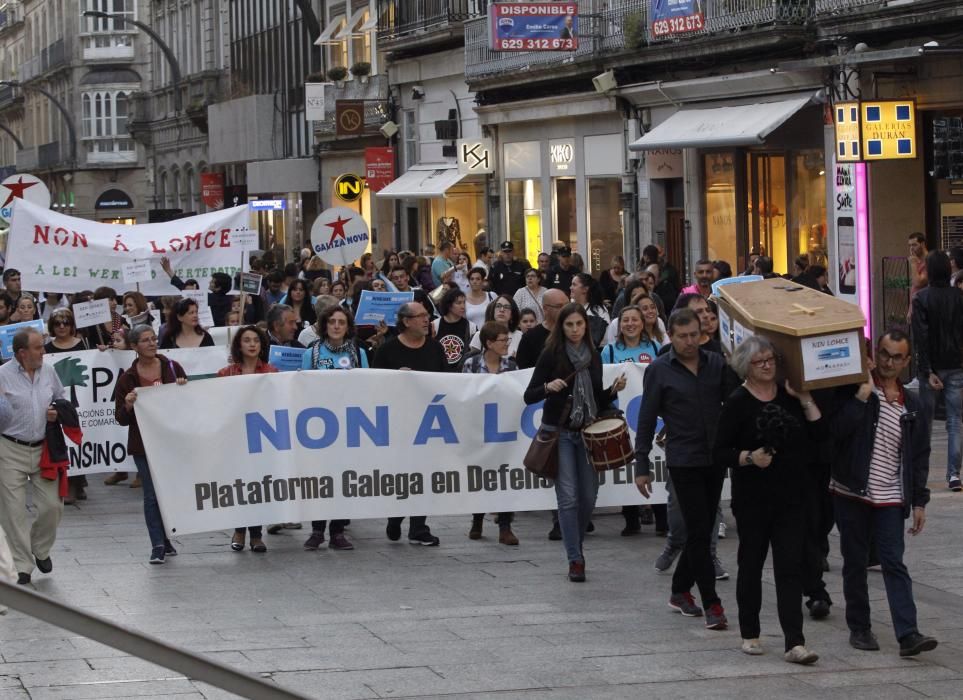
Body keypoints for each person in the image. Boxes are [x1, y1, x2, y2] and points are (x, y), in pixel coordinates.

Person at [828, 329, 938, 658]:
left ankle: (908, 633)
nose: (889, 362)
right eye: (885, 354)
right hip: (851, 490)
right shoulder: (857, 389)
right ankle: (860, 628)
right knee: (855, 561)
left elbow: (919, 455)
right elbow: (835, 433)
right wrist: (861, 396)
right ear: (876, 352)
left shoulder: (914, 403)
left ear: (906, 361)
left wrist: (919, 500)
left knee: (893, 561)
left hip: (891, 495)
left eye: (897, 357)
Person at [715, 336, 823, 663]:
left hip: (791, 496)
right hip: (753, 499)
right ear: (745, 367)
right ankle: (750, 632)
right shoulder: (738, 401)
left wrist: (804, 399)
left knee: (789, 567)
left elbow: (818, 437)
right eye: (760, 361)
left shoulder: (788, 395)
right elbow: (720, 451)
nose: (767, 365)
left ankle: (795, 642)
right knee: (751, 563)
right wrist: (748, 457)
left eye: (770, 360)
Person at [634, 308, 736, 630]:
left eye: (694, 334)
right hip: (683, 459)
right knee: (698, 532)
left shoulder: (716, 364)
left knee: (701, 529)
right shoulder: (660, 370)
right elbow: (647, 419)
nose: (690, 342)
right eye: (682, 336)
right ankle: (712, 603)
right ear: (671, 337)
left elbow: (736, 401)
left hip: (714, 459)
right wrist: (642, 464)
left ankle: (679, 590)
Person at [524, 303, 626, 582]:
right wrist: (548, 387)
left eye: (579, 324)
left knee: (588, 496)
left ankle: (575, 544)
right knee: (568, 497)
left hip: (587, 430)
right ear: (561, 327)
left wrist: (612, 390)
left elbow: (597, 397)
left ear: (586, 326)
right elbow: (529, 395)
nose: (574, 330)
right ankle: (575, 558)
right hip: (560, 432)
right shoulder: (551, 354)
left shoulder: (594, 355)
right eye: (569, 325)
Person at [113, 325, 187, 564]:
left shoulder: (172, 368)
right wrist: (128, 404)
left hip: (170, 442)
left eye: (154, 339)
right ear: (134, 347)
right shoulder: (127, 379)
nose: (152, 343)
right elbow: (121, 419)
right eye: (145, 340)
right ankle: (156, 544)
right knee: (151, 495)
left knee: (168, 492)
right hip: (143, 445)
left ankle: (166, 538)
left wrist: (184, 386)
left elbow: (188, 402)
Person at [372, 303, 446, 546]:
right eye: (421, 316)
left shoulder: (435, 349)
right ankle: (395, 517)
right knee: (402, 474)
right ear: (406, 321)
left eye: (427, 316)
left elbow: (447, 383)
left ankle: (418, 527)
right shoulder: (387, 351)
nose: (427, 320)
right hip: (397, 424)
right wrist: (395, 379)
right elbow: (373, 387)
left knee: (424, 474)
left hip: (429, 423)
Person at [298, 305, 369, 551]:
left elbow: (367, 384)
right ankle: (317, 530)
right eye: (332, 322)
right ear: (324, 325)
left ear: (348, 327)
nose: (337, 326)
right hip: (319, 425)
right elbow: (304, 386)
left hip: (350, 423)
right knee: (321, 478)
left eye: (341, 322)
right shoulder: (312, 353)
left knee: (344, 478)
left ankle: (337, 531)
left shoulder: (358, 353)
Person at [0, 329, 66, 585]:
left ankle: (40, 549)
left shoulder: (48, 371)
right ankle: (22, 566)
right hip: (9, 448)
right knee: (12, 511)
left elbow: (61, 399)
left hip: (43, 449)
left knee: (52, 506)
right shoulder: (2, 375)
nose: (44, 352)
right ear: (22, 353)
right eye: (39, 348)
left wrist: (56, 412)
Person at [600, 303, 663, 536]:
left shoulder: (655, 347)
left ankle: (661, 517)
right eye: (625, 320)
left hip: (650, 416)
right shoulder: (610, 351)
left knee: (655, 461)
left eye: (634, 319)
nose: (630, 324)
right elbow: (603, 381)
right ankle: (631, 518)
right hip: (623, 417)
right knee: (626, 461)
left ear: (642, 322)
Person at [217, 326, 277, 553]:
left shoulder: (271, 372)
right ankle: (239, 530)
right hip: (234, 437)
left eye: (256, 340)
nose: (252, 344)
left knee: (258, 485)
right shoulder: (225, 374)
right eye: (247, 340)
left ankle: (256, 535)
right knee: (239, 485)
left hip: (262, 437)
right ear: (238, 345)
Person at [911, 250, 963, 491]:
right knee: (954, 420)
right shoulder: (959, 297)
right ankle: (954, 475)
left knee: (926, 422)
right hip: (956, 364)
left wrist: (926, 368)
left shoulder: (921, 298)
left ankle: (920, 475)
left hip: (931, 367)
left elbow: (921, 337)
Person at [464, 321, 519, 544]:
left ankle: (505, 526)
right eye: (502, 340)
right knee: (481, 475)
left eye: (508, 339)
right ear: (488, 343)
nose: (506, 343)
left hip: (504, 427)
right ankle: (477, 519)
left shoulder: (512, 366)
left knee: (504, 475)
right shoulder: (471, 363)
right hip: (479, 427)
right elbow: (464, 394)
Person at [516, 288, 568, 371]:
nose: (565, 309)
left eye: (567, 305)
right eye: (559, 306)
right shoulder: (529, 338)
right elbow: (523, 371)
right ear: (545, 308)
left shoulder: (574, 333)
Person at [432, 288, 476, 371]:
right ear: (449, 305)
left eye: (464, 302)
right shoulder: (435, 325)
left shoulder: (472, 327)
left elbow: (475, 354)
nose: (463, 306)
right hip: (439, 373)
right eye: (458, 303)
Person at [570, 273, 609, 347]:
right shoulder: (570, 306)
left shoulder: (598, 311)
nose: (570, 287)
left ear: (585, 289)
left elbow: (594, 341)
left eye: (574, 285)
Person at [908, 232, 928, 308]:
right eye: (909, 245)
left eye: (914, 245)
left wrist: (913, 264)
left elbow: (918, 283)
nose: (911, 248)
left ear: (922, 244)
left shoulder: (929, 260)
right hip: (915, 304)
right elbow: (914, 288)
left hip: (923, 306)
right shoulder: (917, 260)